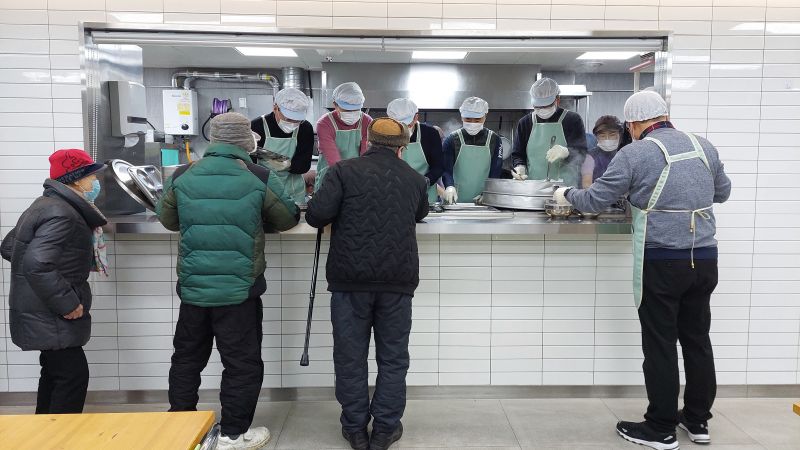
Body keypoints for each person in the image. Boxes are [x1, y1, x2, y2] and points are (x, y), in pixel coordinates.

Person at [554, 91, 731, 450]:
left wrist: (565, 194)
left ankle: (661, 428)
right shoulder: (704, 146)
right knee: (697, 339)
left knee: (661, 343)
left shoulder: (635, 153)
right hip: (704, 259)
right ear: (664, 115)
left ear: (634, 124)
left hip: (663, 261)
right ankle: (697, 420)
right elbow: (722, 193)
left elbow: (593, 200)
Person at [157, 112, 300, 450]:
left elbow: (167, 220)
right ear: (246, 141)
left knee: (186, 358)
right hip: (239, 291)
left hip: (194, 288)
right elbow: (287, 218)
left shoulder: (184, 173)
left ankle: (180, 429)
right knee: (241, 364)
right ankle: (233, 434)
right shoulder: (258, 175)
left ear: (215, 139)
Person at [305, 117, 428, 450]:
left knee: (350, 356)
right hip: (397, 280)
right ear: (402, 148)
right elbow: (420, 214)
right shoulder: (415, 179)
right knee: (393, 358)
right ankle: (385, 430)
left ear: (368, 141)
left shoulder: (343, 171)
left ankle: (356, 429)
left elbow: (317, 216)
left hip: (349, 280)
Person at [1, 149, 108, 414]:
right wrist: (66, 301)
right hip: (52, 312)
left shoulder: (45, 204)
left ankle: (45, 432)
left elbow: (11, 247)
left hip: (40, 308)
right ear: (76, 179)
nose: (95, 181)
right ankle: (63, 435)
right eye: (91, 176)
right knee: (72, 376)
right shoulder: (63, 212)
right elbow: (36, 263)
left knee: (54, 374)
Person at [511, 78, 587, 186]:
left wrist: (567, 152)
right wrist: (520, 166)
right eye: (537, 107)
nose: (542, 109)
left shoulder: (572, 120)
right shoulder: (525, 123)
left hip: (565, 188)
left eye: (546, 106)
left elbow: (582, 152)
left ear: (557, 99)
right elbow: (518, 154)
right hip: (533, 187)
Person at [251, 87, 314, 204]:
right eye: (288, 119)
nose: (293, 123)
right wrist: (279, 160)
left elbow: (303, 166)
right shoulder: (256, 126)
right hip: (262, 190)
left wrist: (283, 163)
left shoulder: (305, 128)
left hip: (293, 192)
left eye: (297, 120)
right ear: (275, 108)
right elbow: (249, 162)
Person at [441, 97, 503, 204]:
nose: (472, 123)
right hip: (455, 200)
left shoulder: (494, 140)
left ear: (485, 116)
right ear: (461, 116)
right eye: (468, 119)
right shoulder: (452, 139)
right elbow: (446, 169)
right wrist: (449, 186)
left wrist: (488, 192)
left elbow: (496, 171)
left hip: (483, 200)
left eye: (477, 120)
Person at [315, 81, 373, 190]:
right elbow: (333, 159)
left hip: (358, 177)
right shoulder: (325, 123)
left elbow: (365, 157)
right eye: (347, 109)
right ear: (335, 105)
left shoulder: (367, 121)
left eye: (356, 109)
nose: (352, 113)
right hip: (330, 178)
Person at [386, 98, 444, 203]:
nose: (403, 130)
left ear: (416, 117)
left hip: (425, 194)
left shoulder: (430, 134)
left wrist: (423, 182)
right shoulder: (386, 135)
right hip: (395, 194)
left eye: (407, 125)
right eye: (398, 126)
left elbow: (438, 167)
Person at [580, 115, 626, 188]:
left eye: (612, 135)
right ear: (596, 137)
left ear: (619, 135)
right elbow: (586, 185)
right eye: (602, 136)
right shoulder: (590, 157)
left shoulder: (626, 155)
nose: (607, 139)